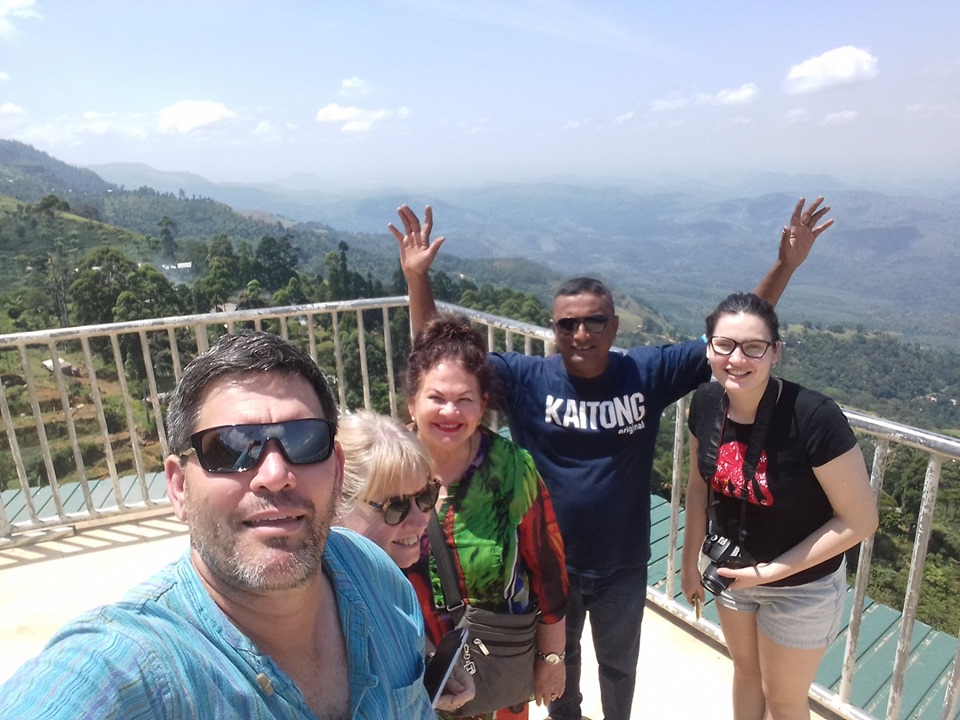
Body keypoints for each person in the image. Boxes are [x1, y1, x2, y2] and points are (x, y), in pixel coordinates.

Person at [389, 198, 833, 720]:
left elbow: (730, 342)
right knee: (561, 667)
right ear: (554, 329)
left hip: (623, 563)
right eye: (568, 324)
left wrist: (784, 266)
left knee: (620, 668)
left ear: (615, 326)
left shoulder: (645, 373)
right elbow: (442, 362)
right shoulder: (527, 379)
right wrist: (417, 278)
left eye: (595, 321)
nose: (582, 334)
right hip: (551, 563)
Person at [0, 331, 435, 719]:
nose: (275, 474)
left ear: (337, 471)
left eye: (305, 440)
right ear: (179, 488)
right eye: (229, 447)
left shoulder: (375, 575)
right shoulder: (137, 668)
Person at [681, 292, 878, 720]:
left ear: (775, 352)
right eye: (724, 345)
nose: (737, 359)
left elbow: (861, 520)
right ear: (708, 349)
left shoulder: (813, 418)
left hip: (801, 588)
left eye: (753, 347)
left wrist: (771, 572)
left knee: (784, 700)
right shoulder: (707, 403)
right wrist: (689, 562)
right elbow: (699, 488)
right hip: (732, 571)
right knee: (746, 675)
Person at [403, 314, 569, 719]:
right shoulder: (385, 468)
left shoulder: (511, 469)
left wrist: (551, 659)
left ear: (482, 406)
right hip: (408, 672)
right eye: (436, 397)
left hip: (496, 671)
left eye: (465, 399)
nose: (450, 411)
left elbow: (548, 569)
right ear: (411, 403)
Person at [336, 410, 475, 713]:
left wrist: (428, 666)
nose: (419, 519)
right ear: (336, 501)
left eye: (425, 497)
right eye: (395, 506)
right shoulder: (319, 610)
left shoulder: (386, 576)